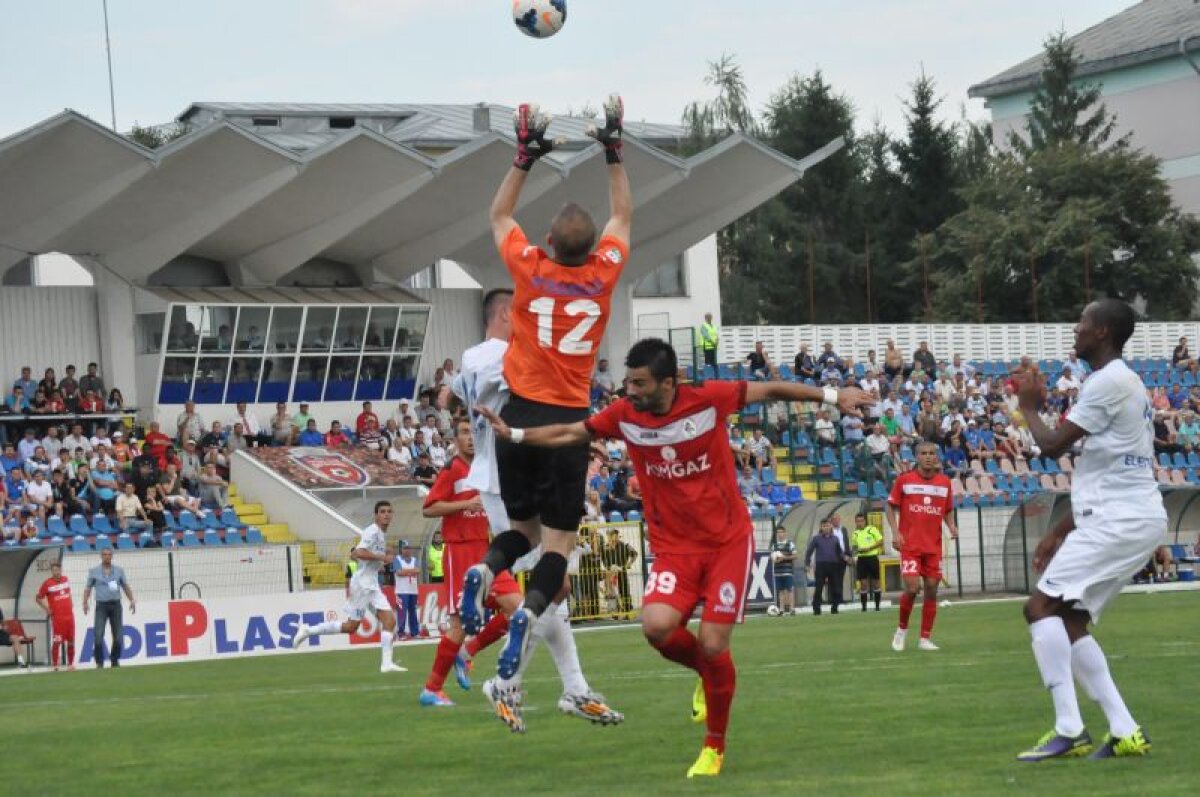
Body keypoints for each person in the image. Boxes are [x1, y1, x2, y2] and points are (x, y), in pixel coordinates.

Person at [476, 337, 872, 777]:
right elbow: (573, 432)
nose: (630, 391)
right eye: (627, 382)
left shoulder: (709, 399)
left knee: (713, 642)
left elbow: (774, 390)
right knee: (657, 627)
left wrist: (835, 396)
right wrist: (514, 434)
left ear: (669, 382)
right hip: (674, 548)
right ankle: (710, 675)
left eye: (640, 383)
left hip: (726, 543)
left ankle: (714, 748)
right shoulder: (626, 415)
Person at [458, 95, 632, 687]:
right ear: (590, 251)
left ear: (551, 245)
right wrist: (612, 152)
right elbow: (623, 220)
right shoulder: (604, 273)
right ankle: (529, 611)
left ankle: (487, 569)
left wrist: (523, 158)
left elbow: (499, 217)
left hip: (516, 419)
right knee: (557, 540)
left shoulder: (530, 270)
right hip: (566, 425)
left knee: (520, 534)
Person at [1012, 299, 1162, 761]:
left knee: (1040, 608)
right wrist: (1060, 531)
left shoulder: (1109, 381)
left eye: (1082, 323)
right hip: (1125, 514)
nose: (1075, 330)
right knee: (1071, 621)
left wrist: (1029, 408)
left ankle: (1069, 729)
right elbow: (1109, 472)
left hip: (1120, 519)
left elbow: (1052, 445)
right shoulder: (1123, 383)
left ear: (1102, 333)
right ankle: (1124, 729)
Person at [419, 419, 524, 709]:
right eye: (464, 433)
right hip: (460, 552)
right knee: (460, 623)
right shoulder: (453, 469)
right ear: (454, 439)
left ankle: (467, 652)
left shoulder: (484, 469)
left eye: (474, 433)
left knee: (519, 610)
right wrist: (465, 505)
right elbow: (428, 508)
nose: (470, 439)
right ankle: (432, 689)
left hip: (487, 550)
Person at [290, 501, 406, 674]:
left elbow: (356, 554)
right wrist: (382, 557)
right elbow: (359, 552)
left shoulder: (380, 534)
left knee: (389, 621)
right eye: (382, 511)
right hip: (362, 585)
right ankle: (308, 630)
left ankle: (386, 664)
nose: (387, 514)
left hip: (372, 583)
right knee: (351, 627)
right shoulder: (372, 531)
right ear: (376, 515)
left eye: (389, 511)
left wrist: (378, 564)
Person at [888, 440, 959, 652]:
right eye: (924, 453)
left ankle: (925, 638)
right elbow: (890, 506)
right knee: (912, 588)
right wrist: (895, 532)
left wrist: (952, 526)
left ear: (936, 457)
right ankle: (901, 631)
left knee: (931, 588)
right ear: (917, 457)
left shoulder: (945, 483)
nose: (928, 456)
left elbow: (947, 509)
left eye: (932, 453)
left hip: (933, 547)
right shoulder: (905, 480)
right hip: (910, 545)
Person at [81, 548, 136, 668]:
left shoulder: (119, 571)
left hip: (116, 605)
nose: (107, 556)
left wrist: (132, 599)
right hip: (101, 606)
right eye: (104, 554)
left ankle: (114, 660)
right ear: (101, 556)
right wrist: (85, 602)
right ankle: (99, 662)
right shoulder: (94, 571)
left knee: (118, 637)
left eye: (109, 554)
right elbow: (88, 588)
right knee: (98, 636)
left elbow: (125, 586)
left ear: (112, 556)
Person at [36, 561, 76, 671]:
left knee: (71, 640)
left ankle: (70, 664)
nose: (56, 572)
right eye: (53, 570)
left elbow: (68, 593)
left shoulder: (65, 579)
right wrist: (47, 609)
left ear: (60, 570)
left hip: (69, 616)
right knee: (57, 641)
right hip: (58, 618)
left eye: (57, 570)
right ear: (51, 571)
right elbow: (38, 598)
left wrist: (70, 603)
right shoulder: (47, 584)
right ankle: (55, 665)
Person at [804, 518, 846, 615]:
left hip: (833, 565)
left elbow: (839, 552)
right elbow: (809, 551)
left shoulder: (835, 538)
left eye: (827, 525)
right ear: (821, 527)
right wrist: (807, 563)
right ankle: (816, 608)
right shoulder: (816, 538)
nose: (826, 528)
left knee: (835, 587)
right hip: (821, 565)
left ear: (830, 526)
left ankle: (835, 607)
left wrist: (846, 558)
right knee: (819, 587)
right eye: (824, 526)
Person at [851, 512, 884, 612]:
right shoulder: (855, 533)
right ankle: (864, 608)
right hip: (861, 560)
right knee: (863, 583)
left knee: (876, 582)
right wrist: (856, 552)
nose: (859, 523)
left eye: (861, 521)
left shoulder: (871, 529)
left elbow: (880, 541)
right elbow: (854, 547)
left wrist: (869, 548)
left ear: (865, 521)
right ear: (855, 522)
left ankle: (877, 606)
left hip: (872, 558)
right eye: (857, 521)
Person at [392, 541, 421, 640]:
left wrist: (406, 571)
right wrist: (411, 571)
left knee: (413, 612)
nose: (407, 550)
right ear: (401, 549)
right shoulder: (397, 559)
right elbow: (399, 572)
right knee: (402, 613)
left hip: (413, 590)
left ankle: (415, 632)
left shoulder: (414, 559)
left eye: (408, 548)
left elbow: (418, 571)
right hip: (401, 591)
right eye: (405, 548)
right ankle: (401, 633)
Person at [770, 527, 798, 616]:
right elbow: (772, 558)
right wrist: (775, 560)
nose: (780, 534)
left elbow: (795, 556)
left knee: (790, 590)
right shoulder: (774, 545)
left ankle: (792, 609)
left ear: (785, 533)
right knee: (780, 591)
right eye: (778, 532)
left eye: (781, 532)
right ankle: (781, 610)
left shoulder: (790, 544)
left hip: (788, 571)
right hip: (778, 572)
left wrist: (784, 558)